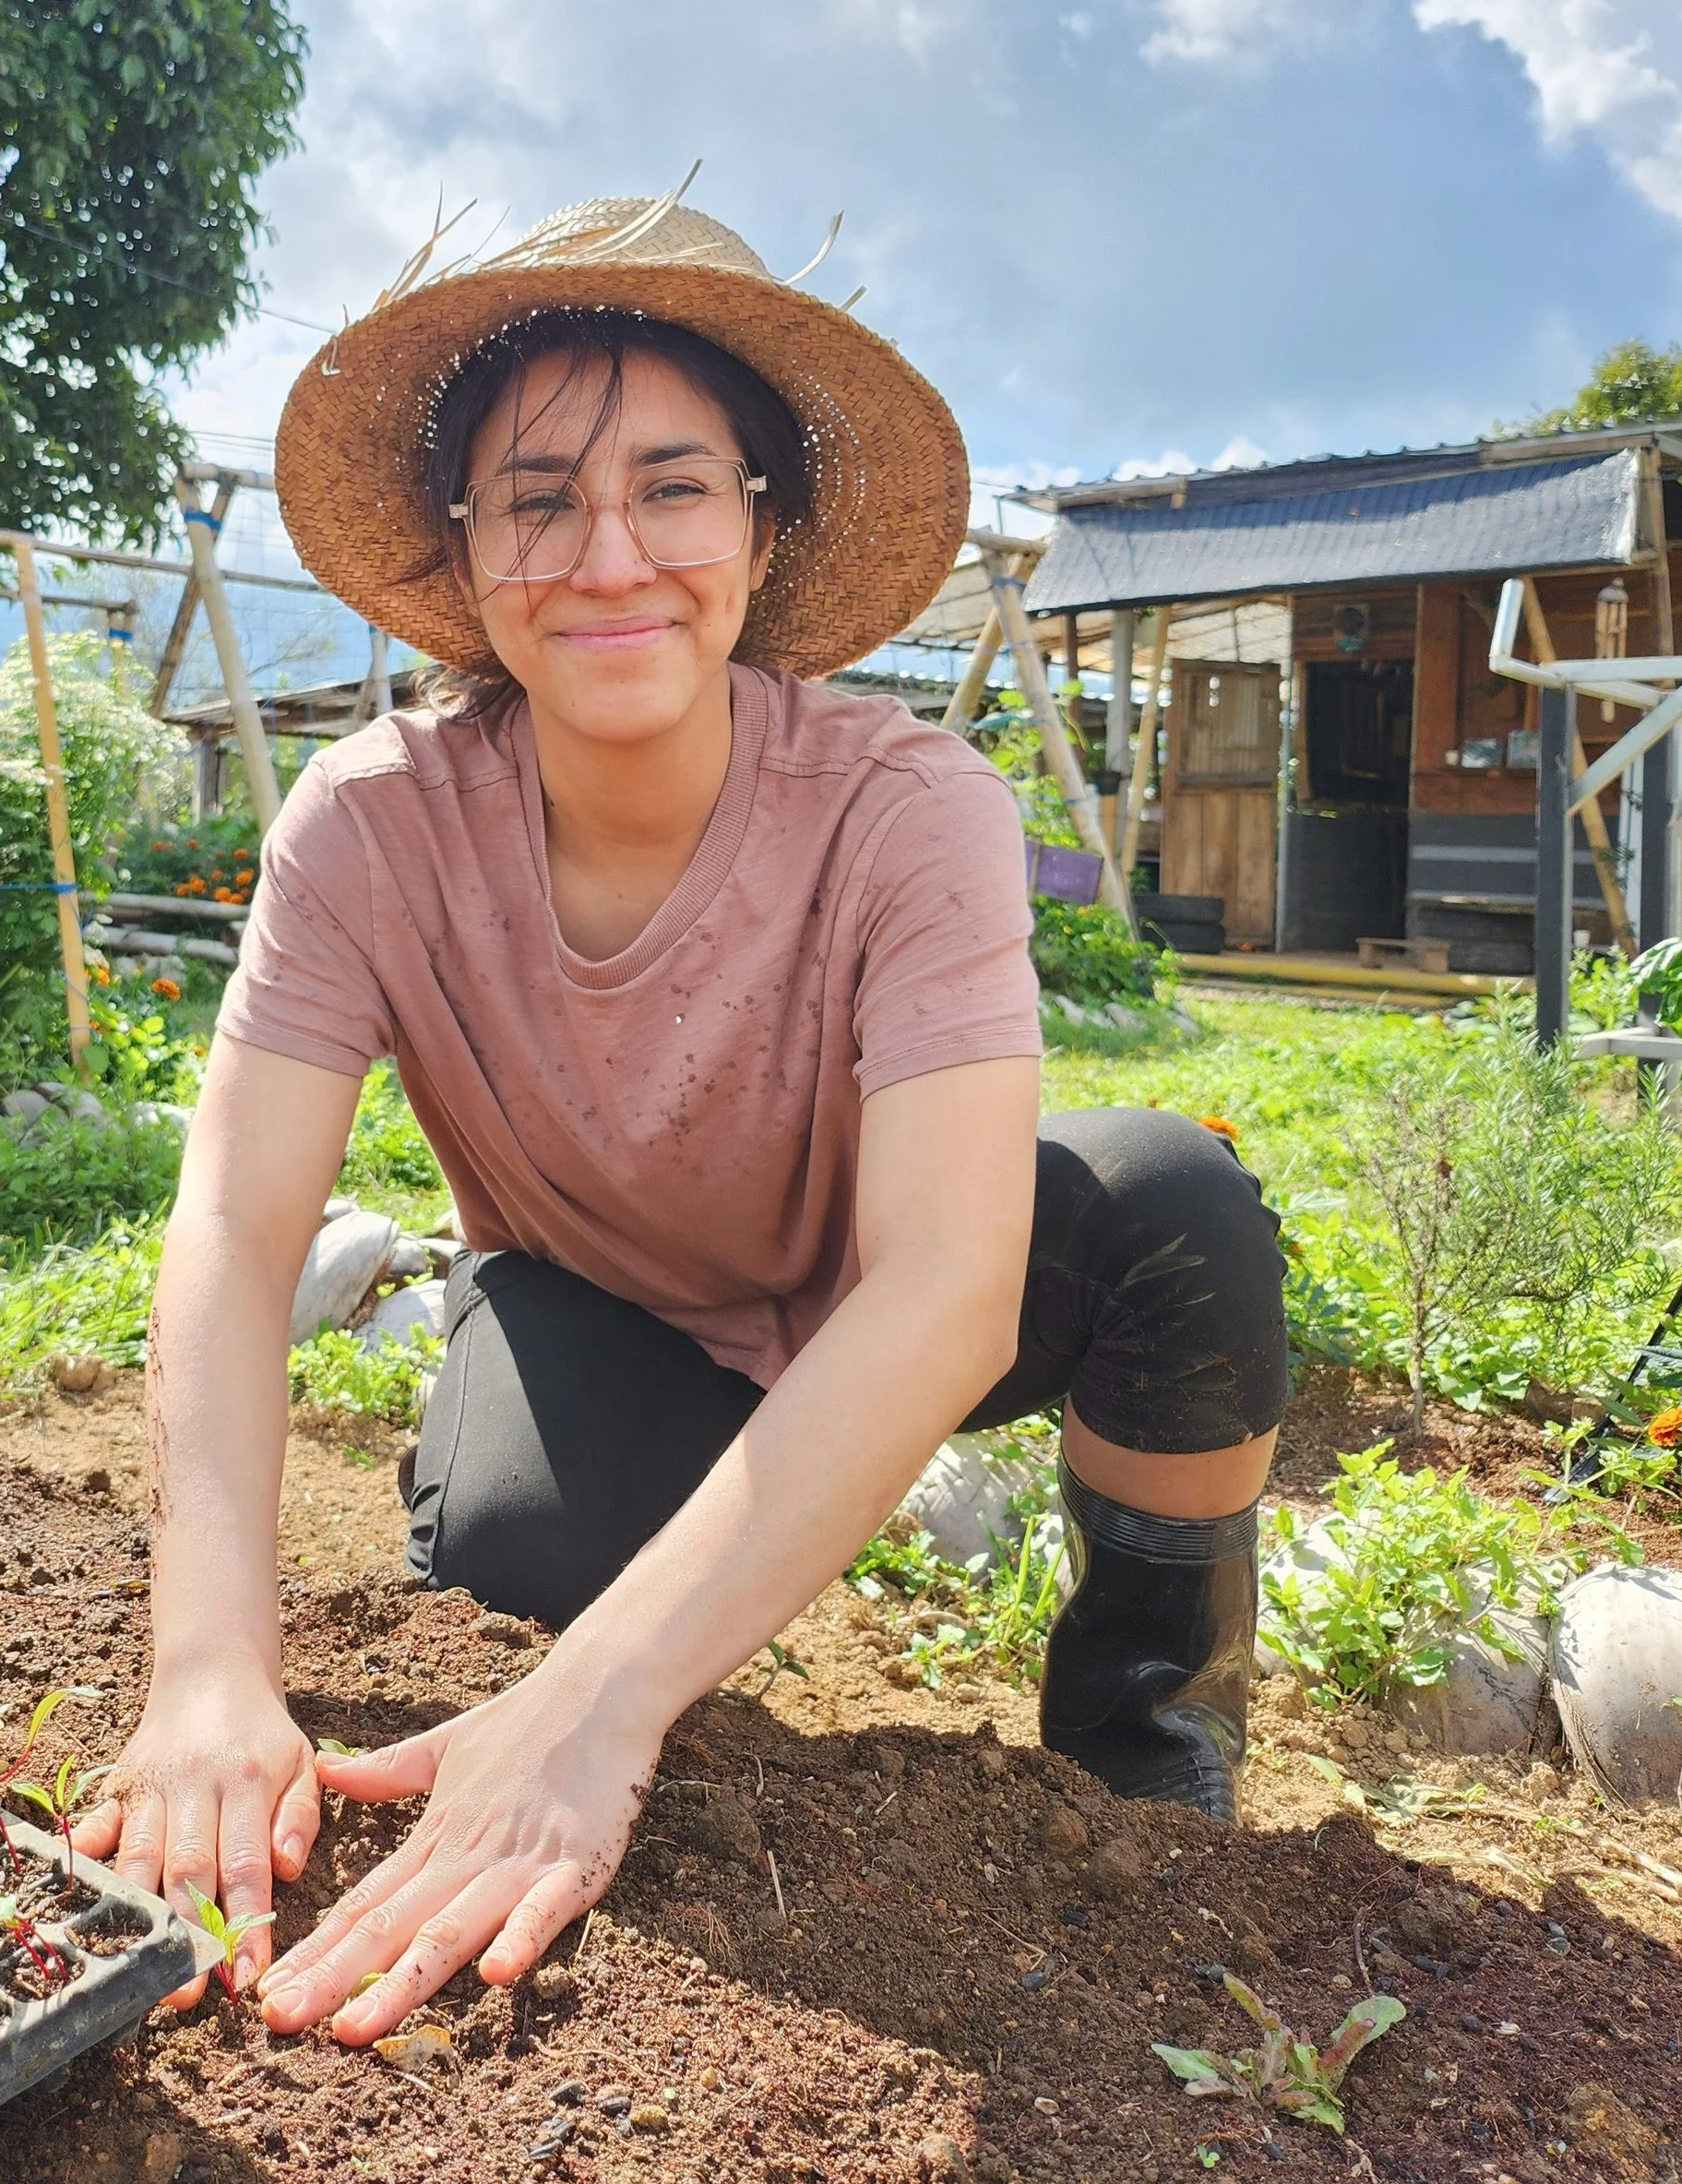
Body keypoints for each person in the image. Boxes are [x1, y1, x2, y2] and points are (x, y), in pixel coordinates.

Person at [74, 187, 1287, 2047]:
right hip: (606, 1302)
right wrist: (208, 1664)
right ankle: (617, 1613)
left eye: (672, 485)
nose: (606, 552)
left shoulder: (907, 804)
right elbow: (236, 1233)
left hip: (876, 1281)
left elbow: (952, 1283)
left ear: (758, 526)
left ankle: (1146, 1753)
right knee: (514, 1561)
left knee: (1175, 1210)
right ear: (464, 549)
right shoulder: (368, 824)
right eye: (537, 496)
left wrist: (597, 1711)